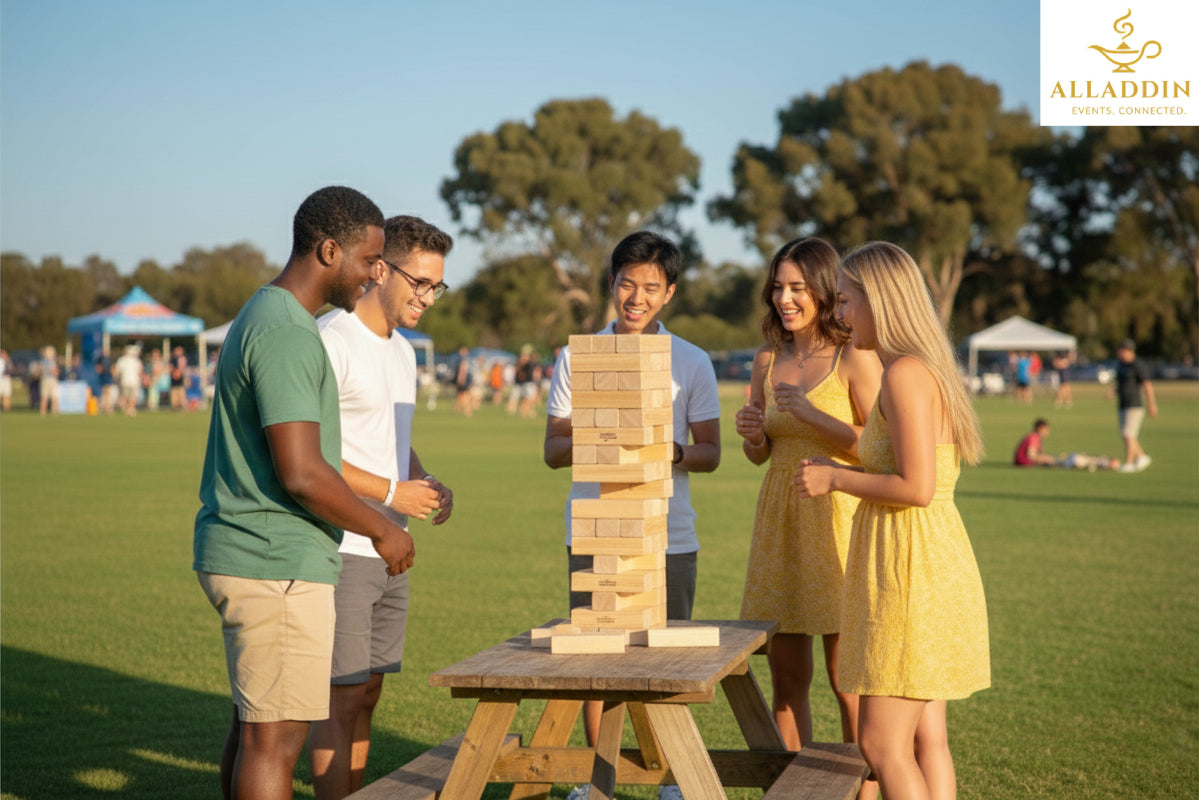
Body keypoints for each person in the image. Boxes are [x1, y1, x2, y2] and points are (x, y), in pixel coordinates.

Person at [193, 186, 415, 800]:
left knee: (254, 730)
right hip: (274, 559)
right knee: (277, 742)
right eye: (369, 259)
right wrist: (382, 527)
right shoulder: (289, 330)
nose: (376, 273)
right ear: (326, 250)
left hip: (253, 552)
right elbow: (301, 471)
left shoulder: (270, 314)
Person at [794, 241, 990, 800]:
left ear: (881, 300)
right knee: (929, 739)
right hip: (926, 560)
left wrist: (834, 478)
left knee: (881, 748)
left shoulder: (904, 374)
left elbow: (916, 487)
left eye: (848, 300)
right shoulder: (922, 369)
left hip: (910, 571)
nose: (840, 314)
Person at [544, 231, 721, 800]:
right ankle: (599, 783)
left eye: (650, 287)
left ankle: (672, 781)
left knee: (664, 665)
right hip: (596, 529)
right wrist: (596, 427)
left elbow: (711, 452)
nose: (636, 297)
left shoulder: (691, 361)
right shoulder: (578, 356)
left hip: (670, 534)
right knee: (598, 663)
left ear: (669, 292)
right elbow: (551, 451)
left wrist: (663, 448)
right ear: (612, 284)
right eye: (626, 284)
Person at [308, 215, 456, 800]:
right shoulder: (331, 338)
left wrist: (422, 477)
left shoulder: (404, 353)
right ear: (379, 268)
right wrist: (395, 493)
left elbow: (391, 440)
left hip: (391, 546)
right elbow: (313, 455)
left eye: (437, 286)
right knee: (339, 694)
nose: (428, 297)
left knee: (369, 689)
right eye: (419, 282)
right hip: (342, 546)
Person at [733, 238, 882, 752]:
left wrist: (814, 415)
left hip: (840, 520)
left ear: (822, 289)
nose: (784, 298)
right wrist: (754, 434)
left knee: (850, 683)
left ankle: (861, 790)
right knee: (787, 682)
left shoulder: (854, 356)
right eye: (777, 287)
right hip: (780, 521)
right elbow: (760, 455)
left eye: (797, 287)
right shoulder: (766, 359)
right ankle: (794, 787)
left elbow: (882, 449)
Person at [1109, 339, 1157, 473]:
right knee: (1127, 435)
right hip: (1122, 404)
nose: (1119, 354)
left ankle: (1129, 463)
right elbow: (1120, 383)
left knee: (1128, 434)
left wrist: (1152, 404)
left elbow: (1147, 385)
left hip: (1134, 404)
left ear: (1129, 351)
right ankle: (1141, 456)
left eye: (1122, 351)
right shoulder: (1121, 365)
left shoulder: (1137, 365)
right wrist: (1113, 391)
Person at [114, 344, 144, 416]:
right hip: (134, 381)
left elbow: (117, 371)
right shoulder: (136, 361)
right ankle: (130, 409)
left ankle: (126, 409)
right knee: (132, 396)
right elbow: (140, 371)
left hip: (125, 380)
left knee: (125, 395)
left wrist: (116, 379)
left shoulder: (122, 360)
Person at [38, 345, 60, 415]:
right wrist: (57, 372)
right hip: (51, 380)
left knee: (44, 396)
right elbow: (54, 371)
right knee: (54, 397)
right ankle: (55, 411)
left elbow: (40, 370)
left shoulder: (42, 361)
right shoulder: (52, 361)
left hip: (44, 379)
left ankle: (43, 412)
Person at [453, 346, 472, 416]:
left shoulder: (463, 359)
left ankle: (463, 409)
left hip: (464, 379)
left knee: (463, 394)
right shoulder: (466, 359)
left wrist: (460, 379)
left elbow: (462, 370)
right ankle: (461, 408)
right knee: (462, 394)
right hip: (466, 379)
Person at [169, 346, 188, 410]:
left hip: (181, 378)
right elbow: (170, 368)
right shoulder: (172, 359)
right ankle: (175, 406)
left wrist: (179, 373)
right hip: (174, 379)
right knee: (174, 392)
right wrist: (174, 373)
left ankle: (181, 405)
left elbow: (183, 368)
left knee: (181, 392)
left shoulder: (183, 358)